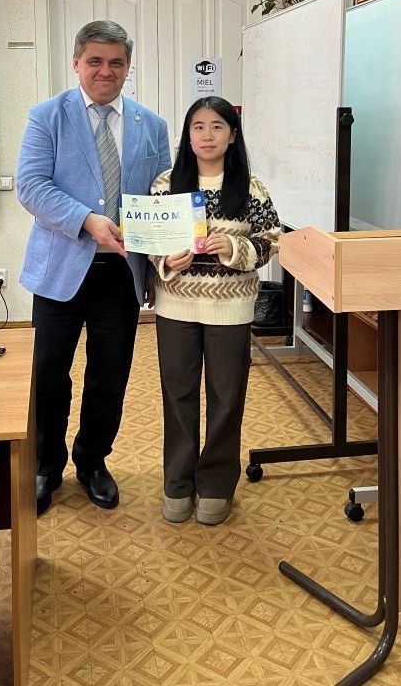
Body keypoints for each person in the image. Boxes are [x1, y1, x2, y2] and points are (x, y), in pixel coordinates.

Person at [17, 20, 170, 516]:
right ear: (77, 63)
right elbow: (31, 186)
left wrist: (158, 265)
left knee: (110, 374)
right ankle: (46, 465)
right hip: (60, 270)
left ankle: (92, 461)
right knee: (49, 373)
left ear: (128, 67)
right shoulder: (47, 116)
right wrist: (86, 220)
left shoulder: (152, 125)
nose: (106, 71)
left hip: (121, 275)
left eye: (117, 62)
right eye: (96, 61)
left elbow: (162, 198)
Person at [149, 96, 281, 526]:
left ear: (233, 136)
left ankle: (217, 485)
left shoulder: (251, 188)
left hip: (230, 308)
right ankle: (177, 483)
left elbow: (271, 241)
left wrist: (236, 248)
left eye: (217, 126)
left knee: (226, 397)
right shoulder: (166, 185)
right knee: (178, 394)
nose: (208, 135)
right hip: (176, 306)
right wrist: (167, 259)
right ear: (187, 136)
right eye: (199, 127)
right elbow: (150, 242)